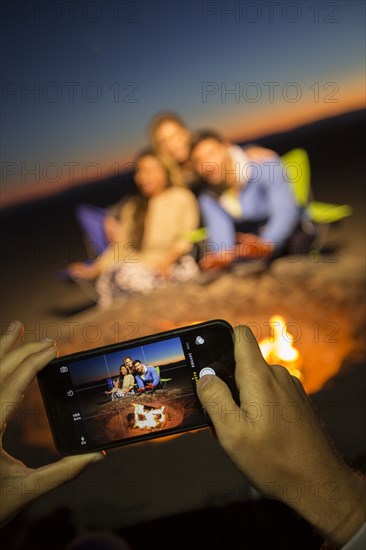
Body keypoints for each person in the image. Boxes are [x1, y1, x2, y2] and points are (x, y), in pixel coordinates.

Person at [1, 321, 365, 549]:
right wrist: (341, 510)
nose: (131, 365)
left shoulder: (144, 375)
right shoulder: (130, 377)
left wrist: (340, 509)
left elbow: (146, 381)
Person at [67, 150, 200, 308]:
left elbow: (187, 238)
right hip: (142, 267)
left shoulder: (181, 197)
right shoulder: (133, 207)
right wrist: (92, 270)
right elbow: (121, 248)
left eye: (150, 170)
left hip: (174, 264)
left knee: (126, 276)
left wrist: (167, 262)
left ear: (165, 171)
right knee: (112, 276)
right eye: (140, 171)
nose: (144, 176)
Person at [190, 130, 313, 270]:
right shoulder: (208, 197)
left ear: (226, 148)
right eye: (198, 161)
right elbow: (220, 232)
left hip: (290, 231)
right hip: (252, 241)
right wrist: (222, 257)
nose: (207, 164)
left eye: (211, 153)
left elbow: (285, 211)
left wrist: (267, 243)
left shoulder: (264, 165)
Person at [150, 111, 280, 190]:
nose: (173, 145)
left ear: (186, 133)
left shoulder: (204, 153)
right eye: (164, 141)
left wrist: (248, 151)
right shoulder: (169, 179)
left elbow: (229, 156)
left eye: (176, 136)